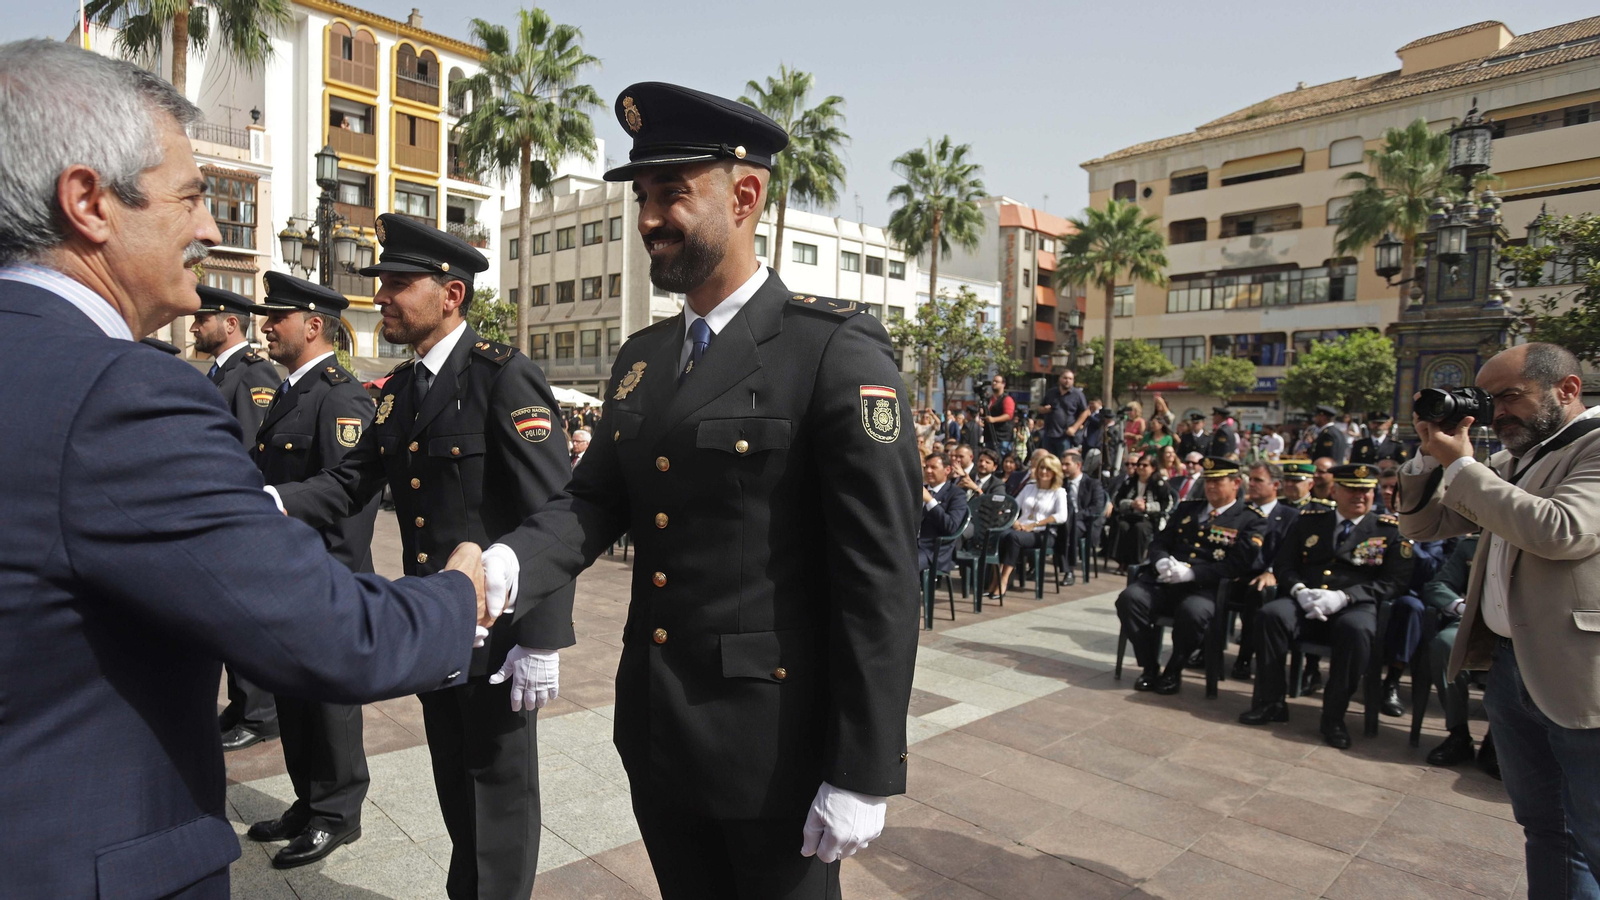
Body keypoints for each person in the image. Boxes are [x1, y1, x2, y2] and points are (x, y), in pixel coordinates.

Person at [0, 40, 490, 900]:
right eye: (190, 197)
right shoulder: (117, 391)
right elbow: (326, 632)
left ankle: (331, 802)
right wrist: (461, 594)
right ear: (88, 202)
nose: (207, 229)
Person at [479, 82, 920, 899]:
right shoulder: (643, 357)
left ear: (744, 196)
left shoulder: (832, 352)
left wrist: (864, 768)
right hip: (658, 733)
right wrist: (506, 565)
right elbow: (593, 500)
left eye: (671, 193)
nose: (649, 218)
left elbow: (881, 577)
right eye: (642, 198)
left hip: (775, 752)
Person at [269, 214, 576, 900]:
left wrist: (542, 639)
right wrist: (271, 501)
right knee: (455, 785)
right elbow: (350, 482)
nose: (381, 297)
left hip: (499, 630)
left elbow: (553, 510)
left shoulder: (503, 377)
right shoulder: (401, 392)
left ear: (451, 295)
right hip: (438, 624)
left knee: (498, 793)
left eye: (398, 284)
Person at [1399, 343, 1600, 897]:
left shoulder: (1592, 446)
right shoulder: (1517, 460)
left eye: (1510, 396)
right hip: (1512, 667)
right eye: (1489, 401)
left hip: (1580, 674)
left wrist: (1461, 465)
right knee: (1545, 826)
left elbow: (1561, 530)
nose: (1497, 412)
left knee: (1594, 831)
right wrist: (1429, 455)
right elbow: (1423, 527)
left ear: (1567, 389)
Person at [245, 273, 383, 866]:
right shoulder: (289, 390)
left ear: (313, 325)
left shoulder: (340, 395)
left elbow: (350, 496)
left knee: (329, 701)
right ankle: (307, 801)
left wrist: (330, 580)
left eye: (277, 316)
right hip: (287, 574)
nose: (265, 326)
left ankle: (337, 813)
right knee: (295, 698)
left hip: (325, 576)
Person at [1239, 464, 1413, 749]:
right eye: (1352, 489)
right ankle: (1271, 702)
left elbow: (1395, 582)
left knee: (1356, 631)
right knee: (1271, 615)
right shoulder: (1309, 521)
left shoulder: (1390, 530)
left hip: (1354, 606)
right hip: (1307, 601)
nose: (1360, 495)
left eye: (1366, 490)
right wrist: (1299, 590)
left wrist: (1345, 597)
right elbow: (1284, 564)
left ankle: (1333, 717)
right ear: (1334, 491)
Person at [191, 284, 288, 751]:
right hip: (217, 515)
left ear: (231, 324)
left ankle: (260, 713)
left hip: (238, 517)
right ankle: (241, 704)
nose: (194, 326)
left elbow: (252, 454)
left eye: (202, 318)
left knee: (247, 619)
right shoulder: (221, 372)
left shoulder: (252, 374)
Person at [1115, 456, 1266, 695]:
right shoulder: (1188, 508)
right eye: (1208, 481)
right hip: (1165, 581)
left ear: (1236, 483)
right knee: (1129, 600)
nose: (1211, 487)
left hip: (1205, 589)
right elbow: (1160, 541)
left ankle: (1174, 669)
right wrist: (1161, 560)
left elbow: (1237, 564)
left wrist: (1192, 573)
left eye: (1218, 482)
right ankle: (1149, 666)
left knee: (1193, 613)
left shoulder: (1250, 519)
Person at [1419, 534, 1497, 774]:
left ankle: (1496, 741)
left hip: (1519, 629)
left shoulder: (1534, 542)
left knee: (1515, 658)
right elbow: (1437, 586)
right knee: (1445, 644)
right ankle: (1458, 733)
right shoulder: (1473, 544)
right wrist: (1461, 606)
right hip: (1474, 622)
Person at [1230, 461, 1301, 679]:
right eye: (1250, 479)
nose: (1251, 484)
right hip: (1237, 573)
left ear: (1276, 485)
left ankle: (1245, 656)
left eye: (1258, 480)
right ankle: (1205, 650)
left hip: (1268, 579)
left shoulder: (1291, 516)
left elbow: (1290, 552)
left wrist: (1272, 571)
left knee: (1259, 592)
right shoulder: (1240, 511)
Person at [992, 453, 1069, 601]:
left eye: (1048, 469)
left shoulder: (1059, 492)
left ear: (1055, 472)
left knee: (1014, 537)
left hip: (1043, 533)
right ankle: (995, 579)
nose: (1044, 472)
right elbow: (1013, 507)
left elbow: (1061, 516)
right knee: (1000, 535)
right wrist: (1014, 521)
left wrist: (1034, 525)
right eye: (1041, 468)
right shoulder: (1029, 487)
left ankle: (1004, 580)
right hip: (1021, 528)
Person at [1107, 453, 1171, 570]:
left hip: (1149, 519)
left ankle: (1135, 562)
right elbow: (1117, 500)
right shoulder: (1129, 482)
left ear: (1153, 468)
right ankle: (1122, 562)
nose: (1140, 467)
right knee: (1122, 526)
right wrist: (1131, 504)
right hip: (1129, 515)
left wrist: (1147, 507)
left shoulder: (1159, 484)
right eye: (1139, 465)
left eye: (1145, 465)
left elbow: (1167, 504)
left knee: (1139, 529)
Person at [1057, 448, 1108, 585]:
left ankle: (1069, 571)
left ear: (1078, 465)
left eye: (1067, 464)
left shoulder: (1093, 483)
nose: (1063, 468)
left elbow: (1096, 507)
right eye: (1062, 464)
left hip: (1085, 523)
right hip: (1062, 520)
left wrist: (1074, 516)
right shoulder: (1061, 483)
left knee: (1068, 529)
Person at [919, 452, 968, 575]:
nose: (928, 471)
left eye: (933, 467)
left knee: (903, 565)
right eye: (926, 467)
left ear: (947, 470)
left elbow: (951, 526)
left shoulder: (956, 494)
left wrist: (930, 501)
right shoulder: (919, 489)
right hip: (909, 545)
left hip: (933, 551)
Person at [1038, 369, 1088, 456]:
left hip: (1065, 436)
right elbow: (1040, 407)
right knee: (1048, 460)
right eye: (1065, 378)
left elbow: (1085, 412)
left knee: (1064, 459)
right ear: (1060, 379)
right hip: (1049, 434)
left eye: (1070, 379)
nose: (1067, 381)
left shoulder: (1077, 394)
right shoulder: (1051, 392)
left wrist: (1074, 428)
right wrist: (1044, 409)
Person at [984, 372, 1016, 456]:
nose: (994, 383)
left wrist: (993, 419)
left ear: (1003, 384)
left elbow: (1008, 415)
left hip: (1002, 437)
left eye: (997, 381)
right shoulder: (988, 400)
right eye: (993, 381)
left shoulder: (1007, 399)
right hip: (989, 436)